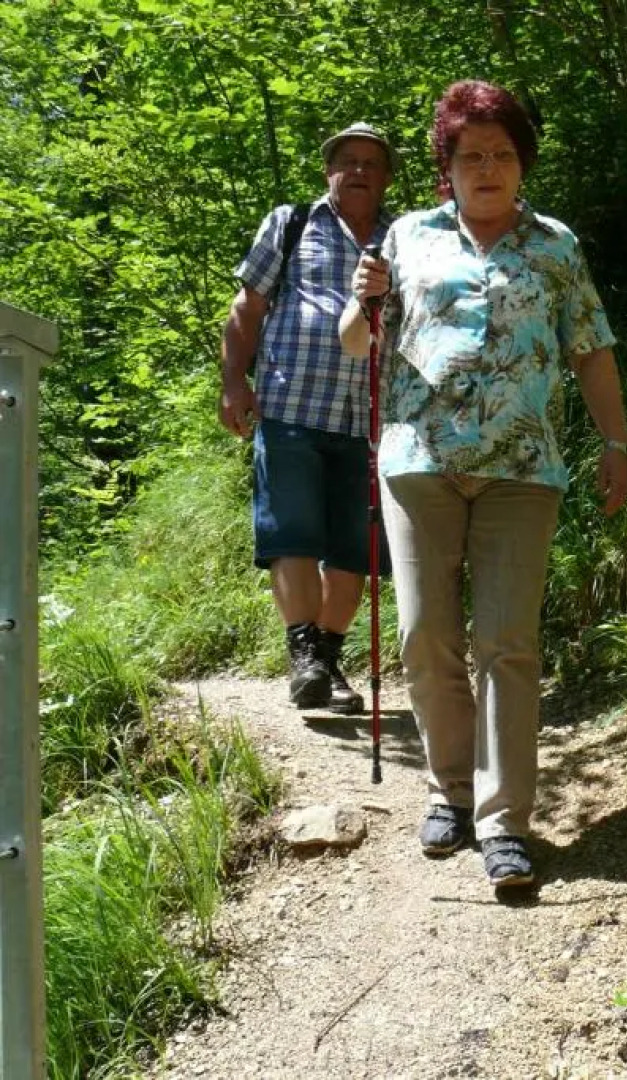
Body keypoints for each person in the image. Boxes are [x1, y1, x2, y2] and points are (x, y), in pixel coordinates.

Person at [341, 81, 627, 890]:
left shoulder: (555, 246)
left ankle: (504, 822)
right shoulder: (406, 238)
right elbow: (357, 342)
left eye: (502, 153)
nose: (488, 168)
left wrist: (615, 442)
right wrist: (363, 302)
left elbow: (591, 349)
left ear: (522, 162)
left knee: (508, 644)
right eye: (471, 155)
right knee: (425, 634)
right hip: (418, 460)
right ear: (449, 165)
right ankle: (451, 792)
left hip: (523, 468)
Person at [221, 122, 398, 714]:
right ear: (329, 170)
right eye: (348, 160)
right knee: (291, 532)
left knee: (354, 546)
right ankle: (305, 658)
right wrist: (234, 382)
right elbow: (248, 306)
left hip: (373, 417)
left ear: (386, 177)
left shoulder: (403, 238)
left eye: (372, 162)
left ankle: (326, 660)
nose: (359, 170)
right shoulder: (291, 222)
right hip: (291, 403)